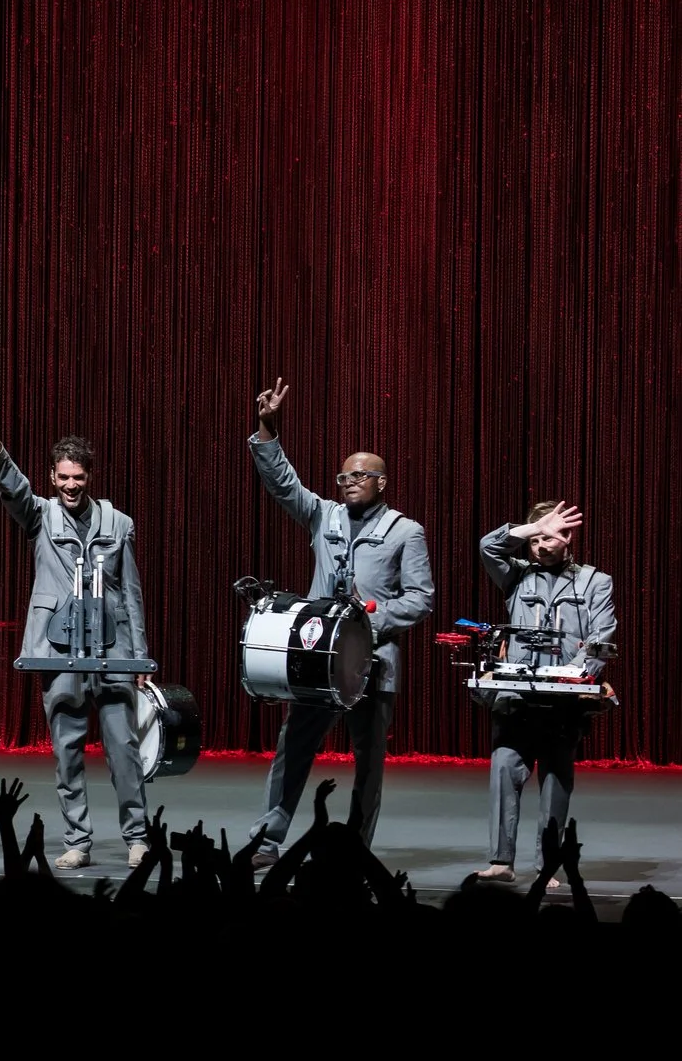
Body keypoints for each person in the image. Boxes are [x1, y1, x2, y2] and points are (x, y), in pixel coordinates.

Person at [244, 378, 433, 859]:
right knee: (294, 747)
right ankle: (269, 838)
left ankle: (356, 848)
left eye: (359, 477)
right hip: (315, 657)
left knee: (368, 761)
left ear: (381, 482)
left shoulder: (406, 531)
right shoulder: (323, 515)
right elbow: (282, 483)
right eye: (343, 478)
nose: (348, 484)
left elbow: (420, 598)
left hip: (372, 663)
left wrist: (365, 623)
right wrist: (268, 429)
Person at [0, 395, 150, 869]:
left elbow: (130, 594)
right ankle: (78, 839)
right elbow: (11, 487)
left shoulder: (118, 523)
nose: (71, 485)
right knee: (67, 750)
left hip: (112, 651)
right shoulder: (41, 516)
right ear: (53, 478)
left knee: (124, 751)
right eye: (63, 477)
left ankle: (137, 836)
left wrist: (140, 660)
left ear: (90, 477)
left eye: (79, 477)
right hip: (58, 650)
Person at [475, 500, 615, 884]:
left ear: (568, 537)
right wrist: (526, 528)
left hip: (563, 703)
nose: (540, 545)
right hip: (516, 699)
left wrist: (574, 675)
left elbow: (600, 640)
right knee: (504, 772)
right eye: (534, 538)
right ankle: (501, 862)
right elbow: (488, 546)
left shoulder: (594, 581)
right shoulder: (515, 576)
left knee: (555, 783)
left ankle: (547, 866)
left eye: (550, 536)